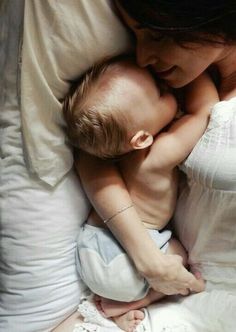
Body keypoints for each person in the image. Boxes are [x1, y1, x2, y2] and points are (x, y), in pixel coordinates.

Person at [63, 56, 216, 332]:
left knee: (121, 282)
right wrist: (193, 70)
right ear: (142, 138)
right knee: (178, 254)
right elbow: (205, 109)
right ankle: (133, 303)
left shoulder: (108, 153)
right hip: (129, 259)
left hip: (90, 247)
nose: (169, 88)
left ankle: (114, 305)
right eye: (161, 91)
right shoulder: (159, 153)